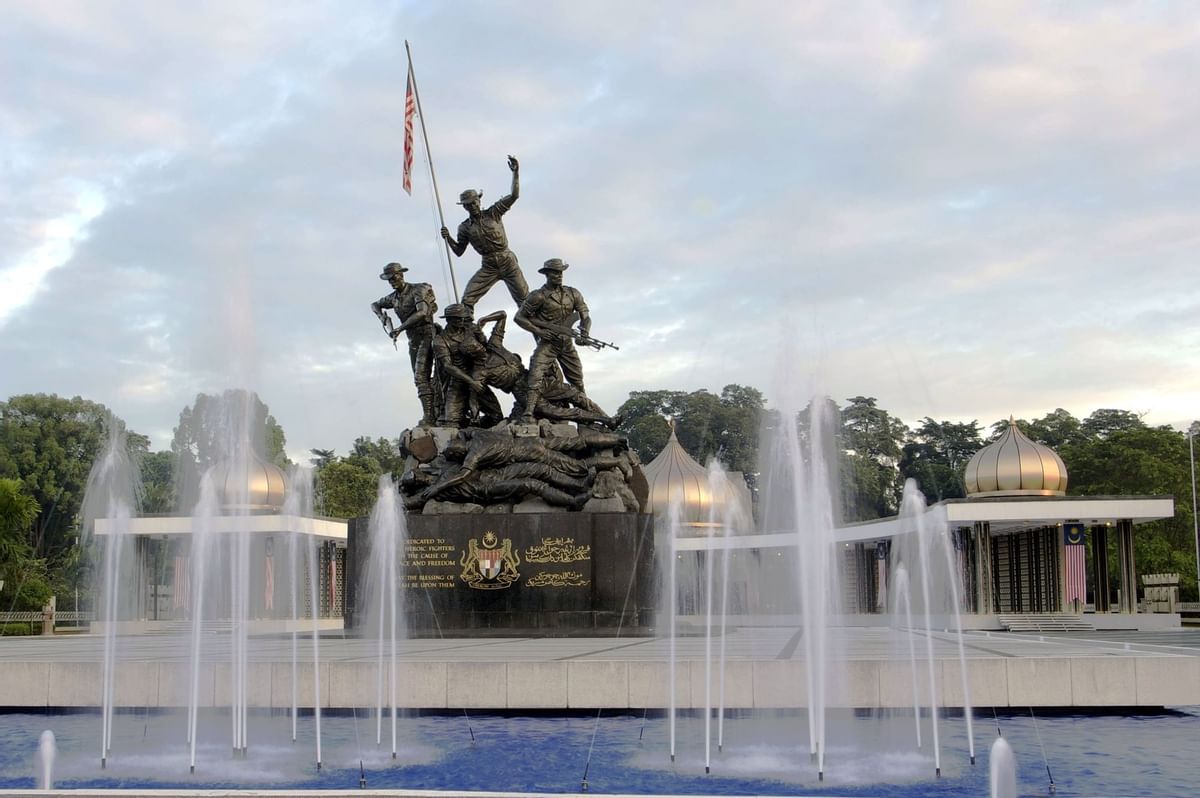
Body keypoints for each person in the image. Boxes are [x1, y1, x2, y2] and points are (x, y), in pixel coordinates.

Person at [441, 156, 529, 311]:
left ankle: (542, 335)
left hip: (507, 261)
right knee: (467, 299)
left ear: (479, 201)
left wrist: (515, 173)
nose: (472, 206)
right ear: (464, 207)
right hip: (488, 266)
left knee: (526, 303)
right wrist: (448, 238)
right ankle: (466, 332)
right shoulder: (464, 228)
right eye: (468, 204)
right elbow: (459, 251)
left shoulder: (493, 213)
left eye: (474, 202)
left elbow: (514, 195)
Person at [514, 258, 591, 423]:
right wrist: (539, 331)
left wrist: (585, 332)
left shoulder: (573, 293)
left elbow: (585, 316)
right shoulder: (538, 296)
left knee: (577, 379)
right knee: (535, 374)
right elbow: (519, 318)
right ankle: (528, 412)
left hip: (566, 343)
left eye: (561, 272)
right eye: (555, 272)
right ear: (547, 274)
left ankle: (588, 418)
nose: (559, 275)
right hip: (548, 344)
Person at [370, 262, 439, 426]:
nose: (392, 282)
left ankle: (430, 416)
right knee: (419, 379)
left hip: (427, 334)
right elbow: (374, 304)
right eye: (389, 280)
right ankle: (433, 411)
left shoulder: (419, 289)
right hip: (413, 339)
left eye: (394, 278)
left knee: (421, 376)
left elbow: (422, 312)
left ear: (401, 275)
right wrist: (383, 318)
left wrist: (400, 327)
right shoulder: (393, 298)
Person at [431, 303, 490, 428]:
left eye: (463, 317)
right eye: (458, 318)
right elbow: (448, 366)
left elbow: (485, 346)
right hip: (458, 379)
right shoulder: (440, 340)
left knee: (495, 414)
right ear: (449, 319)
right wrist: (471, 382)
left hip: (478, 373)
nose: (462, 320)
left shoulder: (470, 328)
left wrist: (480, 333)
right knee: (450, 419)